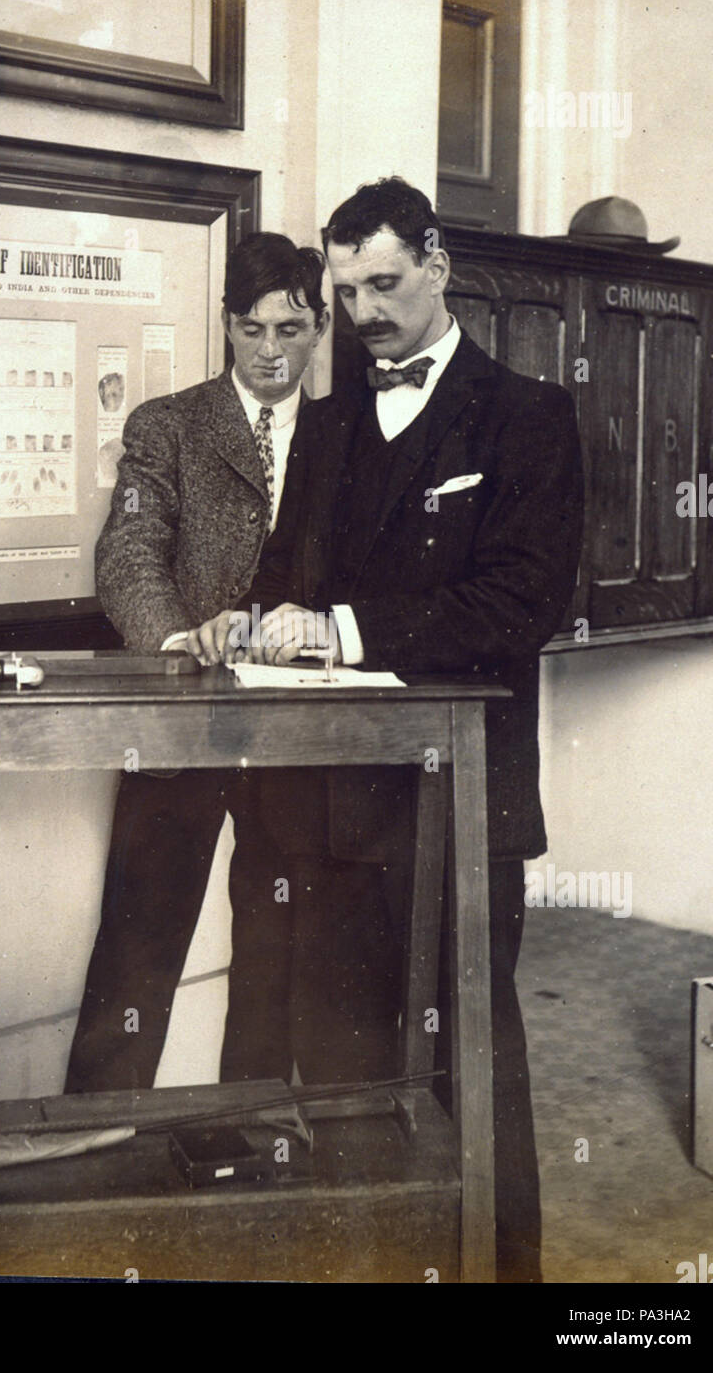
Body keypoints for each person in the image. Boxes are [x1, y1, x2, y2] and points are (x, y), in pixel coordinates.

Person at [191, 178, 584, 1281]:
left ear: (439, 264)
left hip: (458, 804)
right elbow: (287, 576)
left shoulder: (528, 416)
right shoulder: (325, 426)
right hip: (330, 806)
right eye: (345, 288)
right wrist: (251, 616)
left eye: (383, 283)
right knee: (347, 1072)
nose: (363, 311)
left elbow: (521, 603)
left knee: (469, 1060)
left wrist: (345, 627)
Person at [64, 232, 330, 1095]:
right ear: (226, 327)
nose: (271, 351)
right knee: (139, 943)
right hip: (182, 721)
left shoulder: (348, 437)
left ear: (320, 328)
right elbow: (130, 554)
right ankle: (94, 1130)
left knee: (278, 948)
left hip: (299, 735)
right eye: (252, 330)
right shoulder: (168, 426)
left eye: (291, 331)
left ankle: (253, 1129)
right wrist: (178, 641)